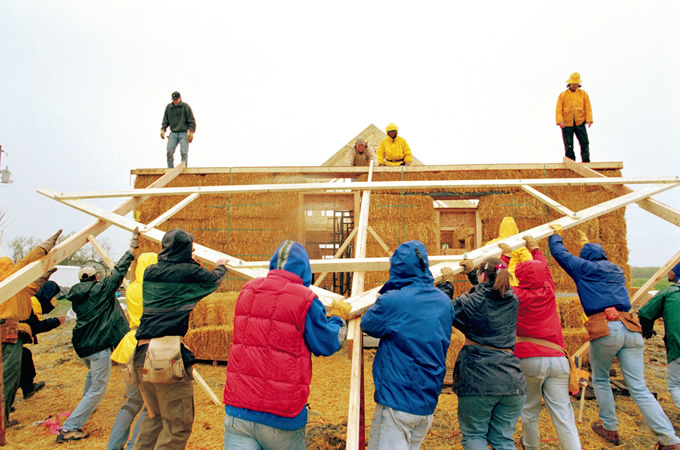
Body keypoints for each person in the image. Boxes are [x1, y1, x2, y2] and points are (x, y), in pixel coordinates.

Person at [548, 224, 680, 449]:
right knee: (639, 386)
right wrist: (585, 242)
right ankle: (669, 439)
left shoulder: (584, 268)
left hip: (606, 328)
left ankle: (609, 426)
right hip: (630, 326)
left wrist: (555, 235)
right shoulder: (617, 270)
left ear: (586, 258)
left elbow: (560, 254)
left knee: (599, 378)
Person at [223, 240, 348, 450]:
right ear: (305, 270)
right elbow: (326, 343)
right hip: (280, 416)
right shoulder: (305, 298)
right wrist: (338, 319)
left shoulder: (247, 290)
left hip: (238, 412)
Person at [132, 229, 227, 449]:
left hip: (140, 355)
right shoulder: (187, 271)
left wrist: (189, 264)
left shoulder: (151, 272)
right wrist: (221, 264)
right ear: (186, 249)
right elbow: (213, 280)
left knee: (154, 419)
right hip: (164, 358)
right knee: (177, 426)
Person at [361, 241, 454, 449]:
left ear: (396, 268)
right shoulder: (444, 302)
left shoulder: (394, 301)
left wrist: (383, 298)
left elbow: (368, 324)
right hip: (427, 401)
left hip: (398, 400)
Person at [56, 229, 139, 444]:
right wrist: (131, 250)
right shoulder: (99, 290)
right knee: (98, 388)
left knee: (92, 377)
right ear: (95, 277)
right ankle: (70, 427)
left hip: (82, 345)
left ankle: (86, 409)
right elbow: (119, 272)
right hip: (97, 346)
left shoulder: (76, 294)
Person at [499, 238, 581, 450]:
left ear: (519, 277)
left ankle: (530, 446)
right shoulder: (548, 291)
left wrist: (505, 258)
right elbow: (545, 270)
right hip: (557, 360)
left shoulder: (515, 295)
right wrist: (535, 249)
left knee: (529, 409)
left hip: (528, 360)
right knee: (563, 413)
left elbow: (499, 281)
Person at [451, 257, 526, 449]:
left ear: (483, 275)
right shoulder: (513, 299)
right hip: (512, 381)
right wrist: (472, 276)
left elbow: (446, 309)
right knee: (503, 441)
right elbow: (490, 295)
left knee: (474, 436)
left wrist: (445, 286)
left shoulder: (471, 302)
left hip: (479, 379)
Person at [0, 229, 61, 427]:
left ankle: (5, 412)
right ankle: (3, 418)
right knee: (9, 375)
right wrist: (48, 244)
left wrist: (45, 274)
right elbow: (30, 260)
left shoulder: (16, 288)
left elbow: (32, 287)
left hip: (10, 331)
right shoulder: (12, 277)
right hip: (9, 332)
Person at [107, 252, 158, 450]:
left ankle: (114, 445)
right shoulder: (154, 289)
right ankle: (134, 445)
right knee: (150, 404)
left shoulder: (133, 288)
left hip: (130, 342)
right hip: (148, 346)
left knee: (132, 401)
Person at [639, 272, 680, 413]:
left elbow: (644, 313)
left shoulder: (670, 293)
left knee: (675, 385)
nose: (669, 272)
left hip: (677, 347)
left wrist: (647, 330)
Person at [20, 280, 65, 400]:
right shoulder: (32, 302)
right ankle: (26, 388)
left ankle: (27, 387)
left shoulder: (31, 300)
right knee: (21, 359)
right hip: (9, 338)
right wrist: (55, 321)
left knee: (24, 357)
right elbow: (34, 326)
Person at [556, 72, 593, 163]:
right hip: (567, 123)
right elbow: (558, 110)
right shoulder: (563, 95)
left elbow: (588, 108)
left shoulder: (583, 94)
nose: (575, 86)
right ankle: (570, 161)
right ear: (569, 84)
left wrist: (589, 119)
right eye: (573, 84)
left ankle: (586, 160)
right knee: (568, 144)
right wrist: (560, 121)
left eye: (576, 84)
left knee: (584, 142)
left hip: (579, 121)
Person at [485, 217, 532, 286]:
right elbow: (529, 263)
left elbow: (484, 262)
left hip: (494, 281)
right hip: (512, 282)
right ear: (515, 229)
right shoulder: (519, 246)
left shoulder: (491, 244)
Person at [161, 91, 196, 168]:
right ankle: (170, 169)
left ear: (180, 98)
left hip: (183, 133)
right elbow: (165, 120)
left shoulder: (185, 107)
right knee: (169, 151)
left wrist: (191, 132)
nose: (175, 101)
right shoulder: (169, 108)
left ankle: (183, 169)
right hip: (173, 133)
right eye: (173, 100)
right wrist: (163, 129)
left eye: (176, 99)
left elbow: (191, 120)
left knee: (184, 152)